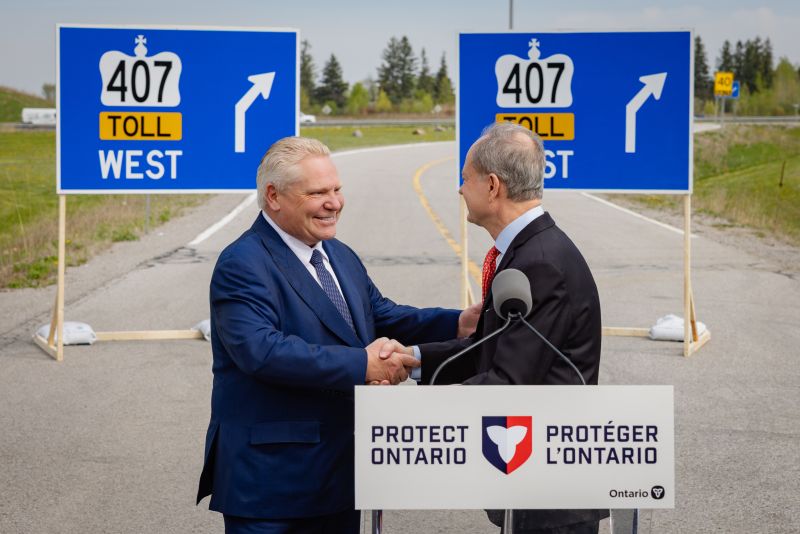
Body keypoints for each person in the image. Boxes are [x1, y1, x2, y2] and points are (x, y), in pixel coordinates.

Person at [196, 136, 477, 533]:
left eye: (336, 189)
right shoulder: (243, 263)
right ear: (273, 196)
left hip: (338, 479)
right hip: (272, 487)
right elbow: (262, 351)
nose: (334, 202)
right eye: (317, 193)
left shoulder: (338, 254)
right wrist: (363, 364)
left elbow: (380, 314)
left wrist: (458, 322)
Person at [407, 122, 608, 533]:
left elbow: (510, 383)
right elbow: (489, 347)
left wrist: (407, 415)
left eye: (465, 178)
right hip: (532, 481)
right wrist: (412, 361)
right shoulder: (528, 251)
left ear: (493, 186)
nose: (460, 189)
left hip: (550, 494)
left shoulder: (539, 263)